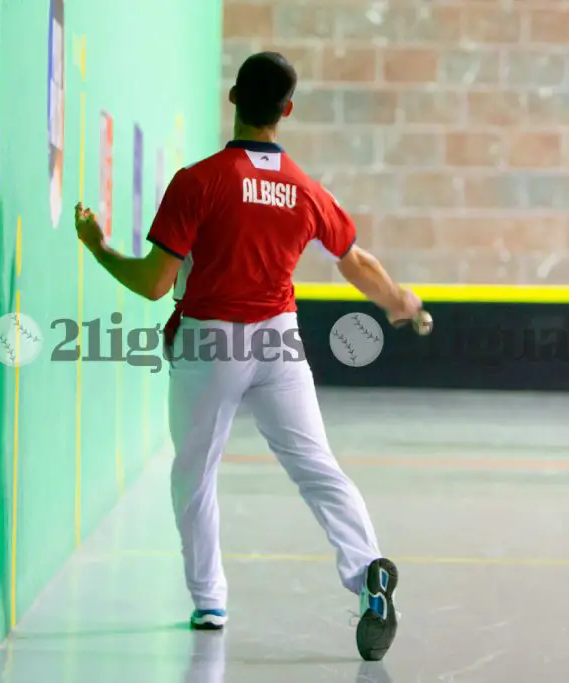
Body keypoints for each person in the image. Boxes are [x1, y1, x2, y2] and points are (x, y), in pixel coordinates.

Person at [73, 51, 418, 662]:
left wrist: (99, 249)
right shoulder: (308, 190)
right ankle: (367, 572)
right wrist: (400, 301)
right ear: (286, 111)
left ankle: (209, 600)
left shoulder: (198, 181)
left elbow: (155, 282)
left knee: (195, 473)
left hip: (211, 345)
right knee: (318, 468)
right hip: (280, 342)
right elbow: (357, 264)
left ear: (234, 98)